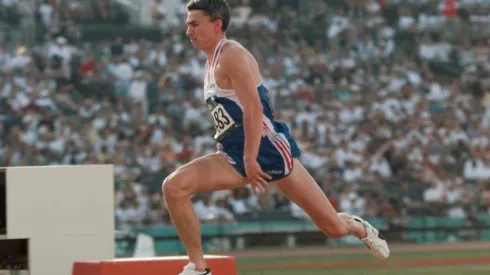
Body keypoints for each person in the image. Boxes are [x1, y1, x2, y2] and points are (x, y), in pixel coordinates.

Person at [162, 1, 390, 274]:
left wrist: (250, 157)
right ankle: (199, 268)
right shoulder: (210, 60)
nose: (188, 30)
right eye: (187, 24)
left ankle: (358, 226)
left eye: (194, 23)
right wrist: (236, 149)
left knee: (333, 228)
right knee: (174, 187)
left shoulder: (231, 54)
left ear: (217, 24)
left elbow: (254, 107)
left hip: (267, 149)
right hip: (235, 154)